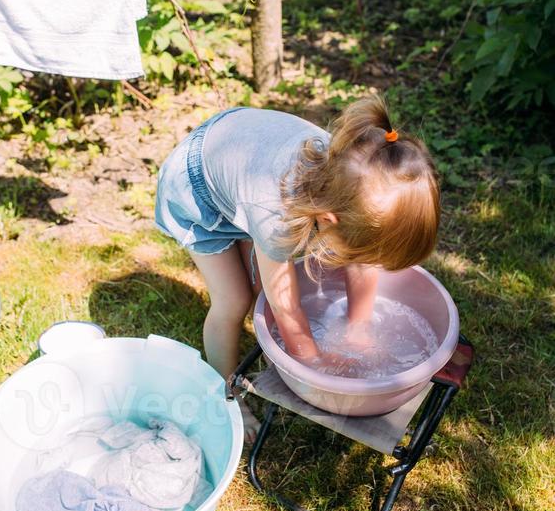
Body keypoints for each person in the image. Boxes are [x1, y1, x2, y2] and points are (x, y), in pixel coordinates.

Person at [154, 95, 440, 442]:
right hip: (196, 187)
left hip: (242, 160)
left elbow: (361, 265)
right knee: (235, 299)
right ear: (327, 219)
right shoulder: (275, 215)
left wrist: (359, 330)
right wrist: (314, 364)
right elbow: (285, 305)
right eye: (363, 254)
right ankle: (226, 398)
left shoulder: (351, 178)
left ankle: (242, 377)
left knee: (267, 279)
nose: (367, 263)